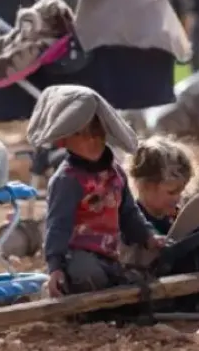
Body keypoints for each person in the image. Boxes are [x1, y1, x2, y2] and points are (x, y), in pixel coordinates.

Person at [29, 85, 165, 297]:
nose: (91, 140)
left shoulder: (115, 172)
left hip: (110, 254)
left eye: (96, 132)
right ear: (64, 139)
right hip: (78, 256)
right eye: (80, 134)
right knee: (89, 276)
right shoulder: (68, 180)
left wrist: (148, 236)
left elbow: (128, 211)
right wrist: (54, 267)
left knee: (139, 280)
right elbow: (57, 225)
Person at [127, 136, 199, 235]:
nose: (178, 198)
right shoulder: (131, 222)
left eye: (181, 191)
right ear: (145, 186)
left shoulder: (178, 220)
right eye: (172, 192)